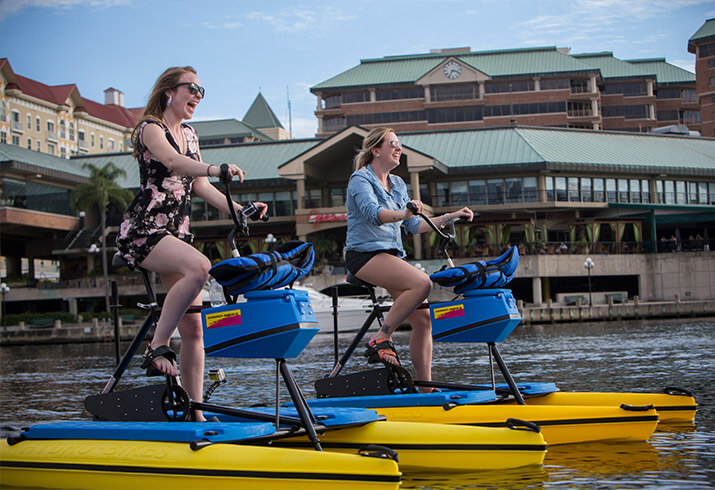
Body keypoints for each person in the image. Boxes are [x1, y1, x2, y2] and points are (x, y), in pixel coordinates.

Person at [115, 66, 266, 421]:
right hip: (146, 228)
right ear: (170, 91)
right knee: (200, 267)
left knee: (196, 329)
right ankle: (156, 347)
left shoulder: (191, 134)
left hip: (177, 230)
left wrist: (240, 209)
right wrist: (214, 168)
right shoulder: (150, 127)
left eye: (202, 90)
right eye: (192, 88)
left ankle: (193, 412)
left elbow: (199, 186)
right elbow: (171, 161)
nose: (198, 95)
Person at [344, 127, 474, 391]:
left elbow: (414, 225)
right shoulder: (360, 179)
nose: (398, 149)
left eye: (399, 145)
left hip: (390, 256)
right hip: (364, 255)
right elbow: (374, 214)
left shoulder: (399, 184)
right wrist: (404, 213)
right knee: (422, 283)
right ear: (375, 150)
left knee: (423, 320)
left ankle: (425, 389)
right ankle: (382, 337)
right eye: (392, 144)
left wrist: (451, 216)